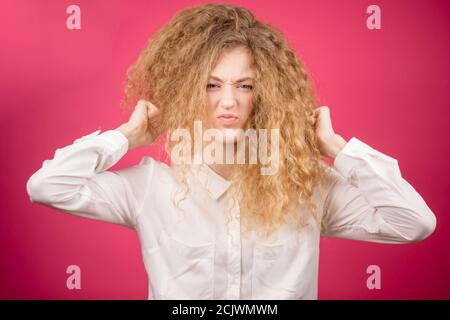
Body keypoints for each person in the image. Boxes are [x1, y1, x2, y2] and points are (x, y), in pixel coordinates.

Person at [26, 3, 436, 300]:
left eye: (245, 85)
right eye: (211, 85)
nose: (228, 102)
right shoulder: (150, 186)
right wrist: (126, 136)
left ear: (268, 95)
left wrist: (338, 149)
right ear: (186, 92)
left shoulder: (309, 187)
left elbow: (413, 223)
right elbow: (47, 187)